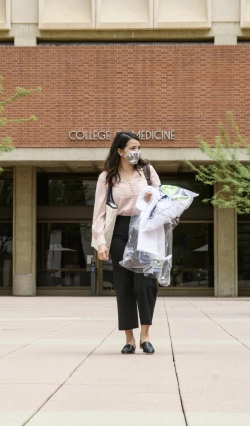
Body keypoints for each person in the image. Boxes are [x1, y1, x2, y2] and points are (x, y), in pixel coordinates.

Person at [92, 131, 160, 355]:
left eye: (138, 147)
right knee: (124, 286)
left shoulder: (148, 172)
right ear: (120, 151)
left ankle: (146, 335)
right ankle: (129, 338)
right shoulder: (107, 178)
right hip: (121, 232)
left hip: (146, 231)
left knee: (147, 283)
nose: (136, 152)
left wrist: (152, 199)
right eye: (132, 148)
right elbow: (100, 212)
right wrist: (101, 242)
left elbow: (162, 204)